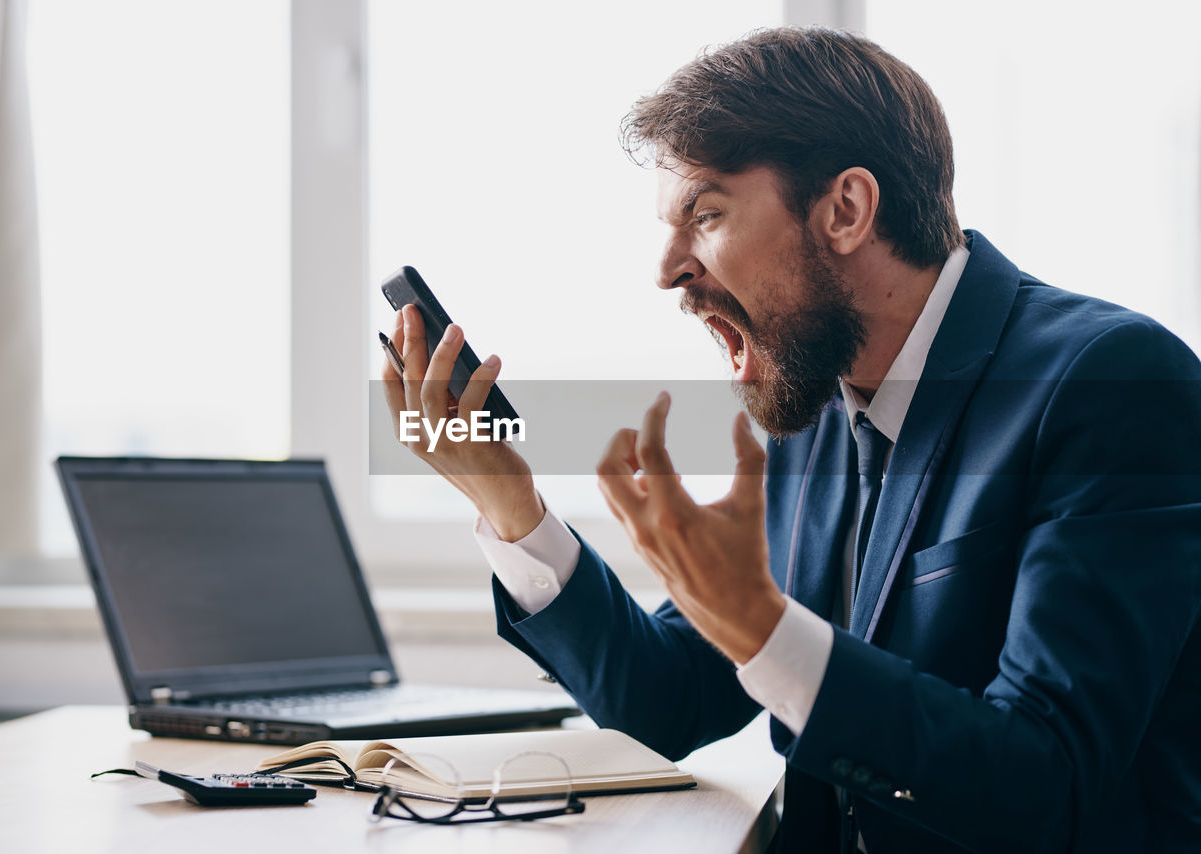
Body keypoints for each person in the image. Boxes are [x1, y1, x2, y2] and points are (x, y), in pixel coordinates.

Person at [379, 27, 1201, 853]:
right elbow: (667, 699)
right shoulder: (817, 412)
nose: (666, 270)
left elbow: (1044, 781)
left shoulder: (1111, 384)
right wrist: (508, 504)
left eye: (704, 214)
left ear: (845, 210)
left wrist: (765, 629)